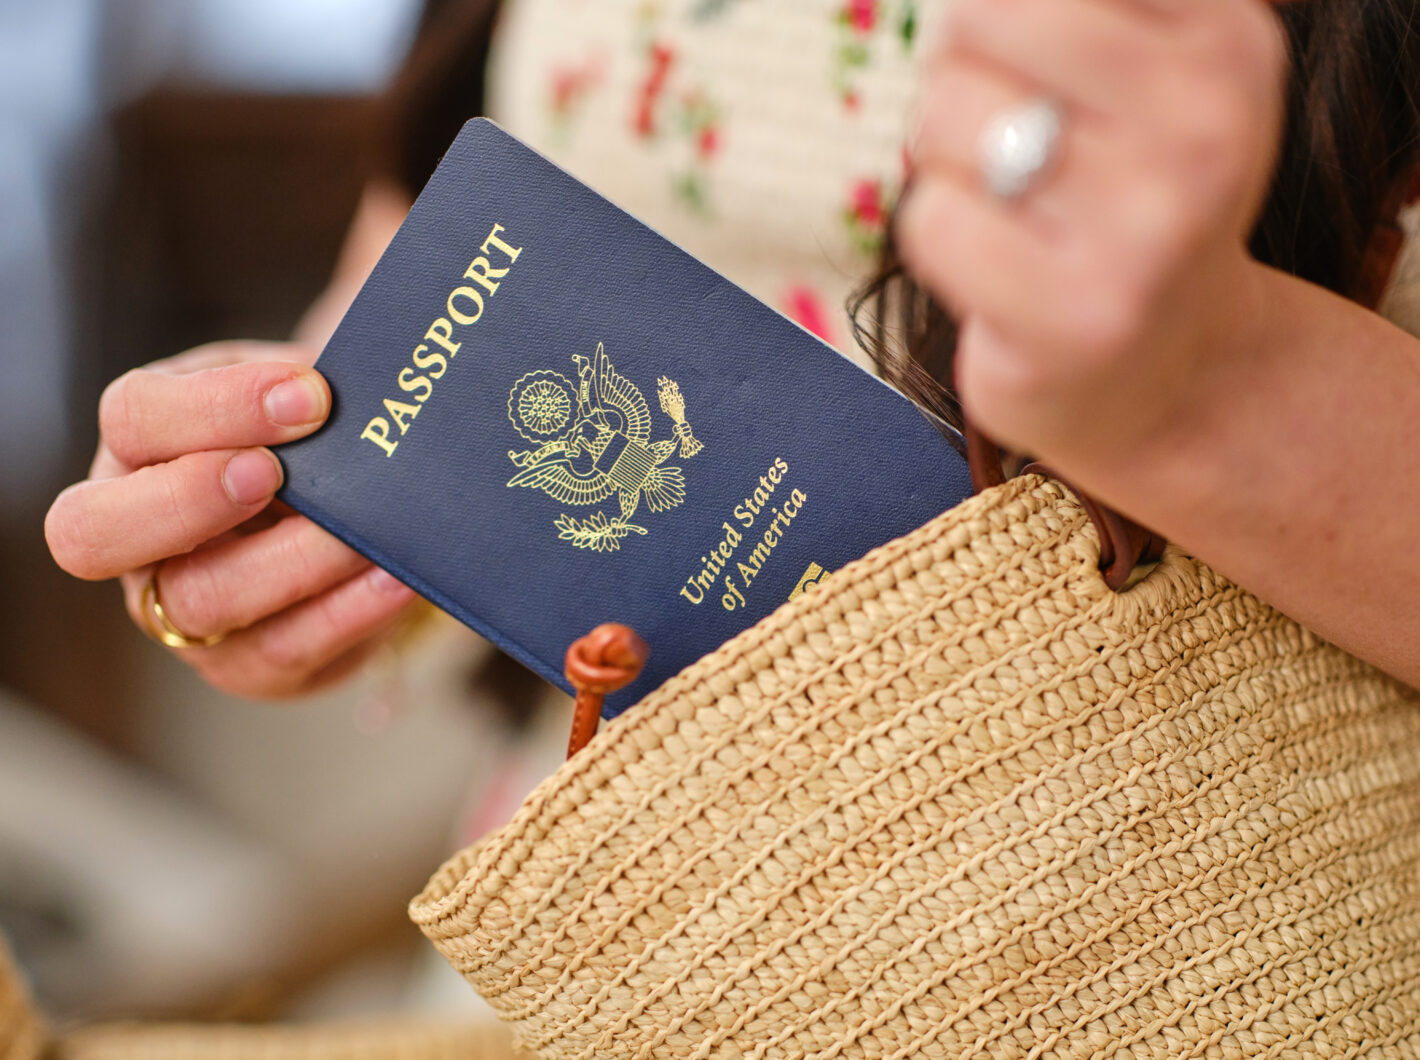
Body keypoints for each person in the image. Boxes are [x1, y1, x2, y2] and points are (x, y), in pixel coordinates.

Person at [44, 0, 1420, 698]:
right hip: (674, 911)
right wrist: (249, 515)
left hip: (1189, 911)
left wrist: (1213, 385)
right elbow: (388, 322)